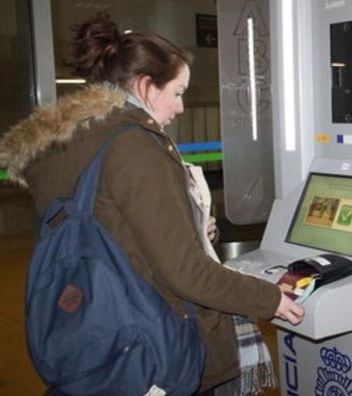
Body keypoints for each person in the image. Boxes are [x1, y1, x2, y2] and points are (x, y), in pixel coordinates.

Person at [0, 13, 304, 394]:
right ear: (145, 86)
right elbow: (185, 273)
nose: (180, 108)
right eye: (177, 93)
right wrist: (268, 298)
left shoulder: (65, 143)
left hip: (91, 331)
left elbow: (107, 231)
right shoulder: (133, 144)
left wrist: (187, 224)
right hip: (152, 339)